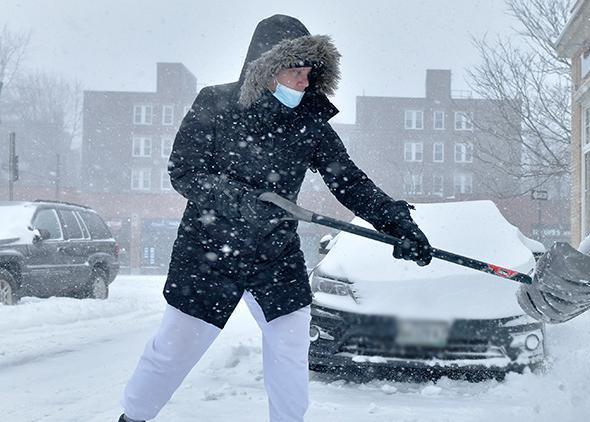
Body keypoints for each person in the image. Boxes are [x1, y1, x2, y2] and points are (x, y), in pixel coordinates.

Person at [118, 14, 432, 422]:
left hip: (274, 255)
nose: (303, 81)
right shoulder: (215, 102)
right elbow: (185, 171)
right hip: (208, 253)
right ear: (266, 70)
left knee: (289, 351)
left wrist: (398, 225)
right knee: (174, 350)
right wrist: (241, 199)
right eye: (295, 71)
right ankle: (133, 418)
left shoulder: (309, 122)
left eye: (308, 73)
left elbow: (349, 181)